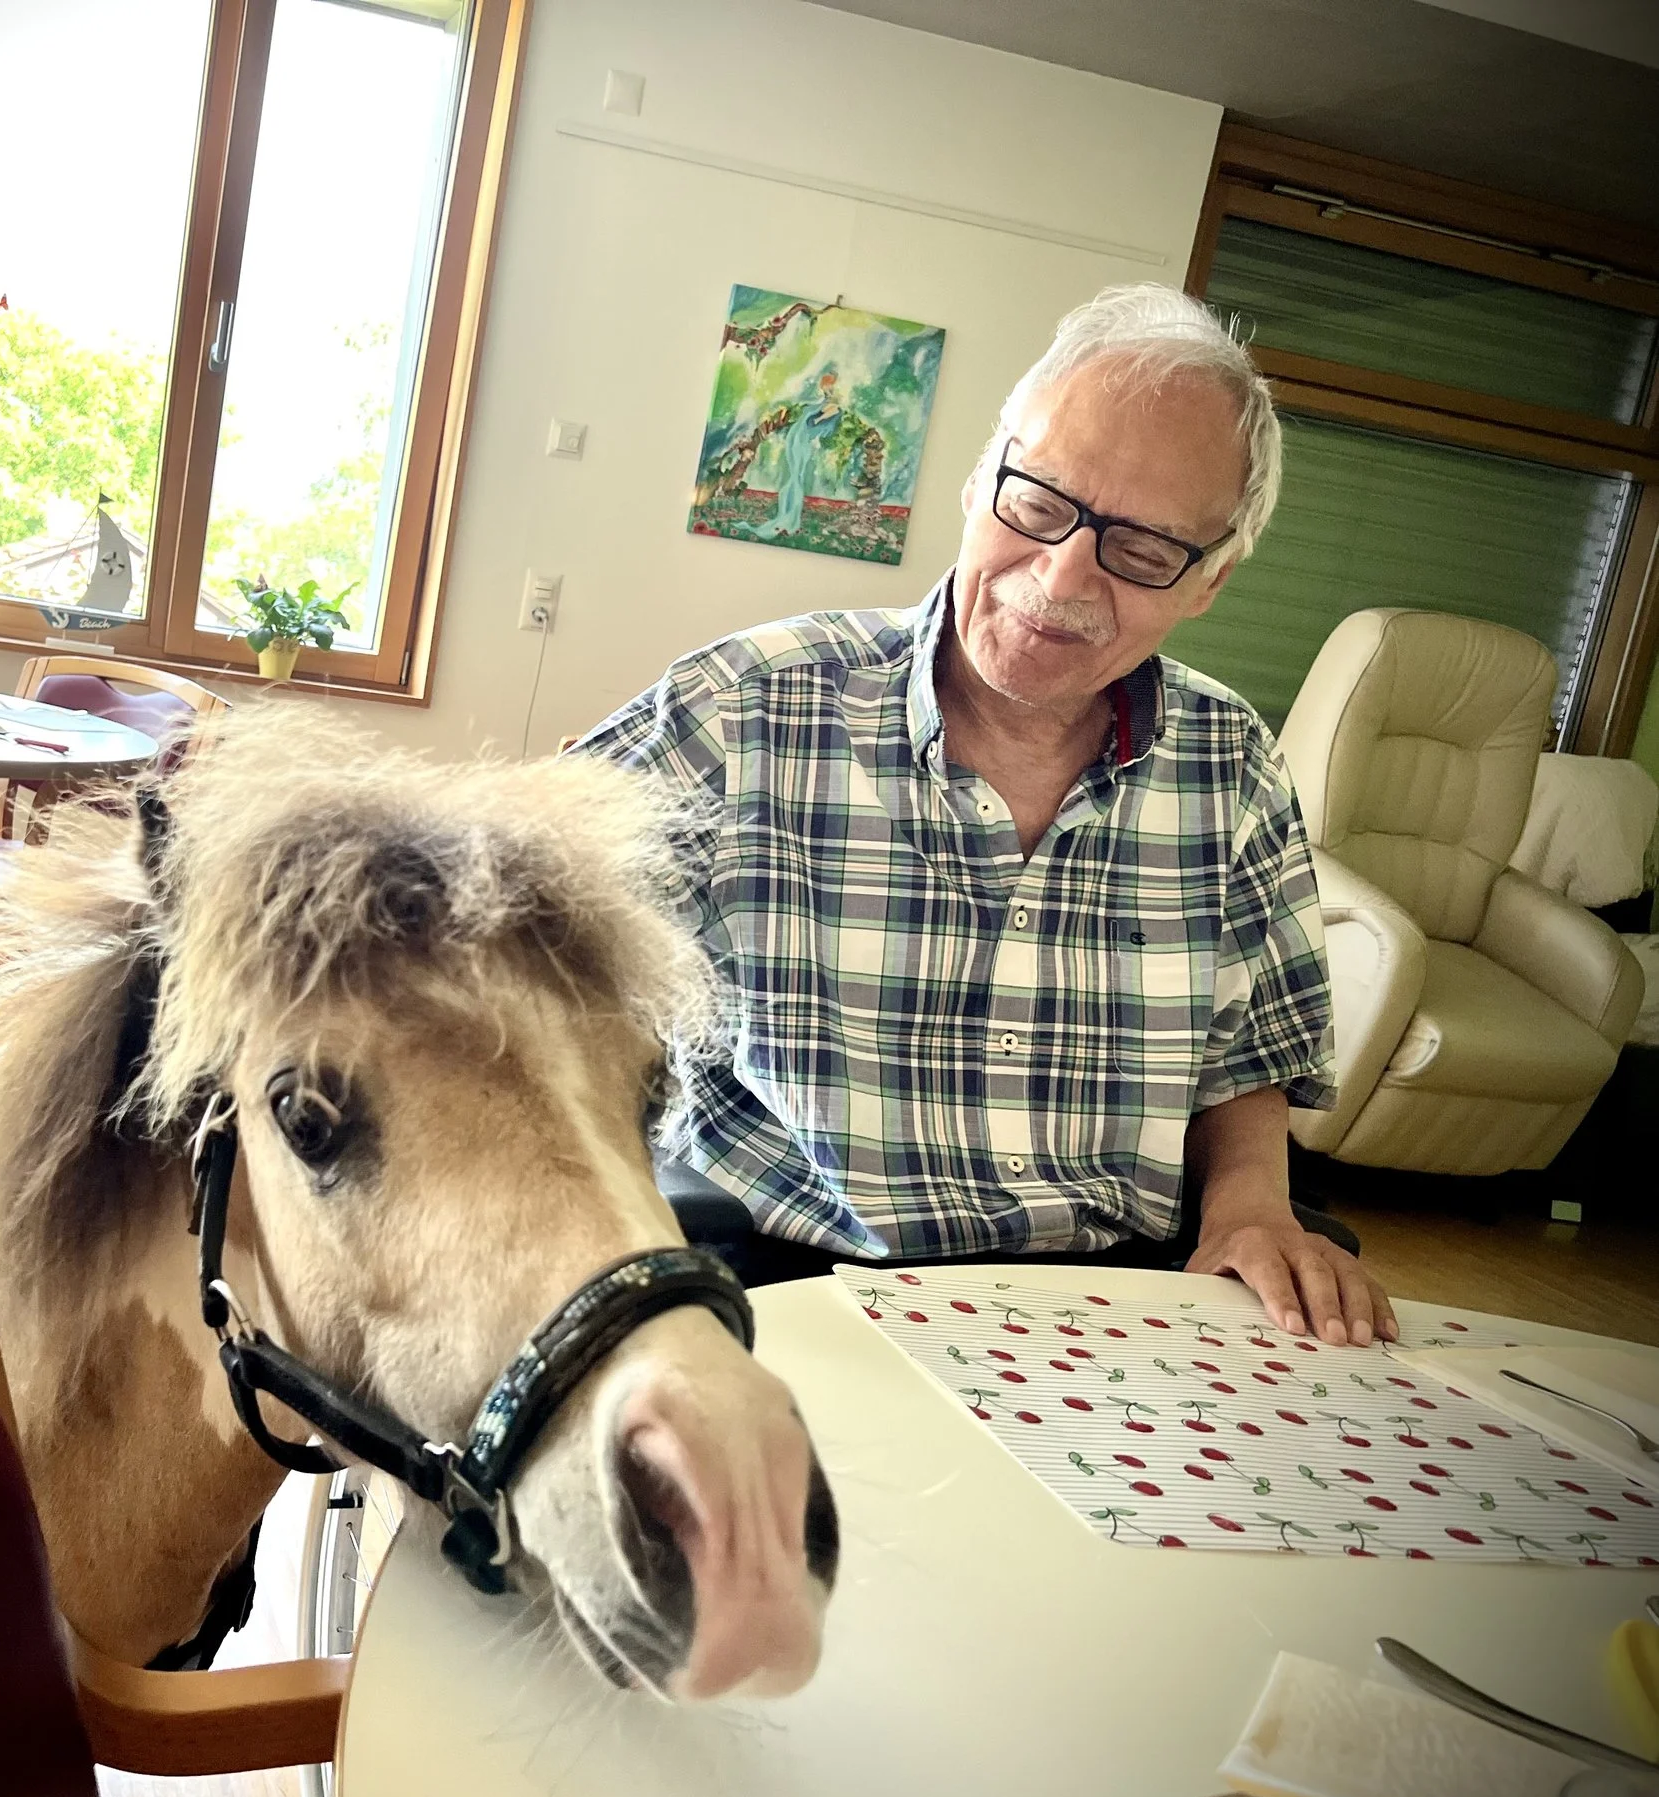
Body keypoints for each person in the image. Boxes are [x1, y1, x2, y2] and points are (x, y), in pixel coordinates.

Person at [580, 284, 1396, 1347]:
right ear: (980, 479)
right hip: (794, 1276)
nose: (1061, 576)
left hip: (1116, 1295)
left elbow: (1245, 1055)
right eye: (1038, 504)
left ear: (1208, 582)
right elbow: (492, 934)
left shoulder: (1230, 762)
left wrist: (1249, 1207)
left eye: (1144, 550)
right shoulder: (739, 708)